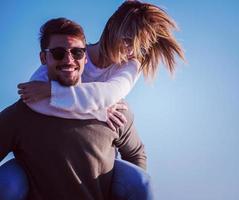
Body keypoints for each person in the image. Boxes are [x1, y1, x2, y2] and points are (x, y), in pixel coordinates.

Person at [0, 17, 150, 200]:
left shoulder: (114, 113)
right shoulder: (24, 112)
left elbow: (136, 155)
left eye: (77, 52)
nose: (69, 60)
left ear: (85, 57)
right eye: (58, 53)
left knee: (141, 181)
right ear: (43, 58)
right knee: (6, 182)